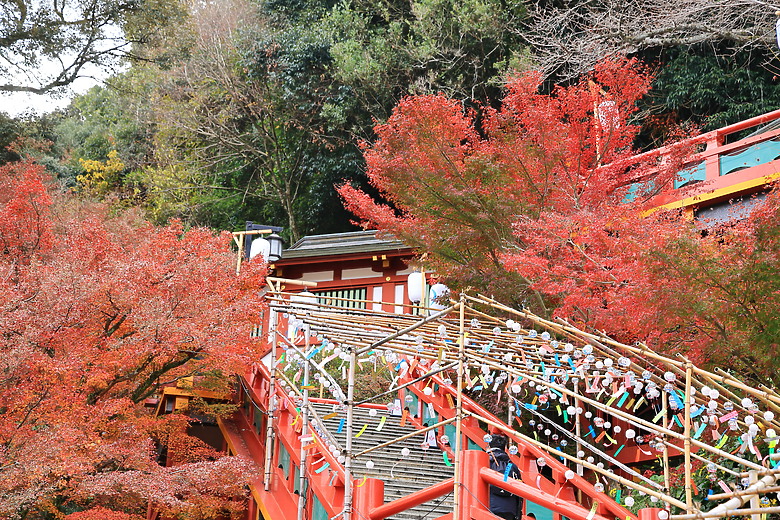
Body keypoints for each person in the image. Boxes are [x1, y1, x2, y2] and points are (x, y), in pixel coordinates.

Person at [487, 433, 522, 520]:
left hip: (490, 506)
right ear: (504, 448)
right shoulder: (512, 466)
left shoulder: (485, 461)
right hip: (510, 509)